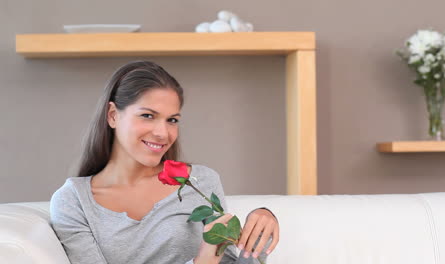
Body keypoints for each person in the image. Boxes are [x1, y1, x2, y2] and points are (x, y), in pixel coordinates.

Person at [50, 61, 280, 264]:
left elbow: (229, 260)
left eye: (172, 120)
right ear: (112, 115)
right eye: (147, 115)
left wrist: (261, 226)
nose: (162, 133)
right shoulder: (74, 201)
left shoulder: (200, 182)